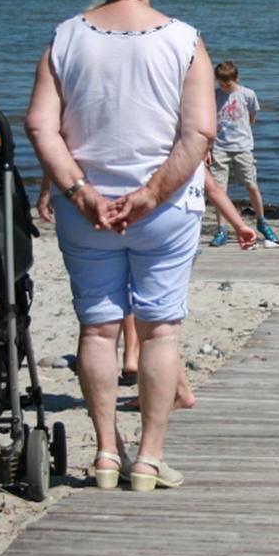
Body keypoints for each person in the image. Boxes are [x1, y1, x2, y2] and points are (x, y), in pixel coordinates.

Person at [25, 0, 210, 492]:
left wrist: (80, 191)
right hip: (164, 210)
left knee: (98, 330)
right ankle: (148, 459)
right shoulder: (183, 40)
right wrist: (150, 194)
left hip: (88, 212)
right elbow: (198, 133)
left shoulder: (65, 38)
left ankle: (107, 453)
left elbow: (40, 126)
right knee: (160, 330)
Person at [36, 172, 251, 410]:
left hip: (158, 236)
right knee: (156, 323)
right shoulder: (178, 158)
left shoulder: (172, 161)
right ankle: (174, 388)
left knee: (151, 321)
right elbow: (214, 189)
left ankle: (159, 381)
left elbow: (58, 157)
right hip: (165, 230)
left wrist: (47, 190)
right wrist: (240, 225)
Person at [207, 61, 278, 247]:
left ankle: (262, 222)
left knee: (251, 185)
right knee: (219, 190)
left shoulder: (247, 94)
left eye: (228, 83)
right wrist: (207, 148)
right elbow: (209, 120)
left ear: (236, 78)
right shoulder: (214, 95)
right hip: (219, 147)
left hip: (242, 146)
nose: (224, 86)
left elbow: (252, 117)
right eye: (221, 83)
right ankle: (221, 229)